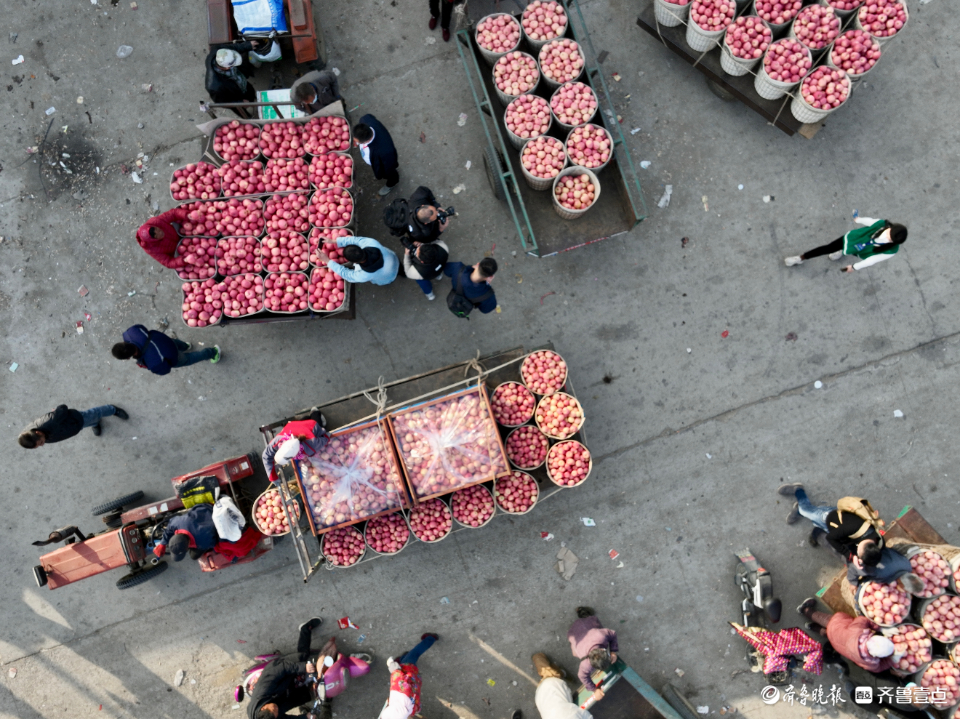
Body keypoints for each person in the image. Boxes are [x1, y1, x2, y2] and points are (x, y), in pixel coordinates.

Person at [246, 618, 331, 719]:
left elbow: (282, 668)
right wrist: (305, 717)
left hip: (279, 669)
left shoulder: (263, 689)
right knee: (307, 695)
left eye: (274, 709)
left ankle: (305, 629)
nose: (277, 709)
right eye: (277, 712)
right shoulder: (272, 716)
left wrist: (303, 667)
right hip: (282, 694)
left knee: (302, 657)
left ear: (263, 708)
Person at [797, 598, 896, 673]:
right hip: (837, 644)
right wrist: (893, 660)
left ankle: (804, 610)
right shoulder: (869, 662)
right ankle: (811, 626)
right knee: (828, 634)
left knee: (823, 619)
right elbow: (879, 668)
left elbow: (862, 620)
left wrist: (878, 628)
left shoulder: (859, 631)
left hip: (837, 627)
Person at [784, 217, 908, 272]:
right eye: (888, 233)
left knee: (845, 250)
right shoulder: (883, 224)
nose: (886, 237)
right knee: (828, 248)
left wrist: (855, 267)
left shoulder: (892, 250)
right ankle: (801, 257)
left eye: (890, 240)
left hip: (861, 249)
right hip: (854, 240)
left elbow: (872, 260)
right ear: (891, 227)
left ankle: (841, 251)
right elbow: (870, 221)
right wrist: (859, 219)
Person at [112, 324, 221, 375]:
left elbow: (165, 370)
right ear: (123, 342)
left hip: (174, 356)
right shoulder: (130, 333)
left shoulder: (153, 363)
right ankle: (187, 346)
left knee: (189, 359)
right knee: (177, 344)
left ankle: (213, 352)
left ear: (127, 357)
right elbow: (142, 327)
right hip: (165, 340)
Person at [380, 633, 439, 719]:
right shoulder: (400, 692)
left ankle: (401, 659)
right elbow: (398, 679)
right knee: (415, 653)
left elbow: (417, 707)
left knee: (406, 659)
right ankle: (431, 638)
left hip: (415, 682)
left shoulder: (411, 711)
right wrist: (393, 668)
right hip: (408, 671)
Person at [262, 412, 332, 483]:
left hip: (313, 426)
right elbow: (266, 455)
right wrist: (272, 477)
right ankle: (307, 417)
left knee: (318, 424)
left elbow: (325, 438)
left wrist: (327, 435)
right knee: (303, 422)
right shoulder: (278, 440)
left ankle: (315, 412)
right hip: (293, 426)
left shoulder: (311, 446)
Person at [567, 607, 618, 702]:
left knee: (589, 621)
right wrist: (594, 689)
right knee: (575, 652)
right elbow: (582, 676)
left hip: (577, 631)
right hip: (575, 633)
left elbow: (613, 634)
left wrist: (613, 652)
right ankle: (583, 613)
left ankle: (583, 614)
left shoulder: (601, 636)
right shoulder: (586, 664)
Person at [19, 403, 129, 446]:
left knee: (95, 413)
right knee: (89, 422)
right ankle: (95, 423)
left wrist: (56, 412)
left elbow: (63, 407)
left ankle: (113, 409)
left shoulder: (52, 421)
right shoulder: (32, 434)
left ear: (38, 432)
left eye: (41, 442)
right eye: (39, 445)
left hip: (77, 418)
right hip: (75, 426)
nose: (42, 445)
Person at [206, 41, 264, 116]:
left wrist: (247, 45)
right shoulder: (214, 87)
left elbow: (233, 47)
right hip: (235, 95)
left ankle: (253, 99)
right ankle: (249, 118)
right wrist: (240, 102)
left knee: (251, 93)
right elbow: (222, 102)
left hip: (242, 84)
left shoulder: (219, 51)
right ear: (227, 67)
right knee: (242, 112)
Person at [531, 653, 593, 719]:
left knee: (551, 674)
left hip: (552, 685)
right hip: (539, 698)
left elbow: (588, 716)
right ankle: (562, 673)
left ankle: (561, 672)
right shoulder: (571, 714)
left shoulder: (572, 715)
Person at [318, 237, 399, 286]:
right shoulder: (370, 242)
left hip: (389, 277)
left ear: (355, 263)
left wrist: (327, 261)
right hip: (394, 259)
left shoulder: (365, 275)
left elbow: (347, 275)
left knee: (382, 279)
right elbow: (355, 240)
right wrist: (333, 241)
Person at [153, 504, 219, 561]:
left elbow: (214, 543)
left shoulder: (202, 543)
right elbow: (169, 527)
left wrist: (195, 545)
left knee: (194, 556)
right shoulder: (177, 522)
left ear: (188, 546)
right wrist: (162, 543)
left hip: (216, 517)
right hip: (204, 507)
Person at [353, 116, 399, 197]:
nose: (355, 141)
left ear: (365, 141)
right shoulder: (366, 119)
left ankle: (391, 184)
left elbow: (390, 166)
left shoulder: (385, 151)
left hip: (384, 163)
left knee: (390, 174)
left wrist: (381, 172)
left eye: (357, 141)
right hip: (376, 159)